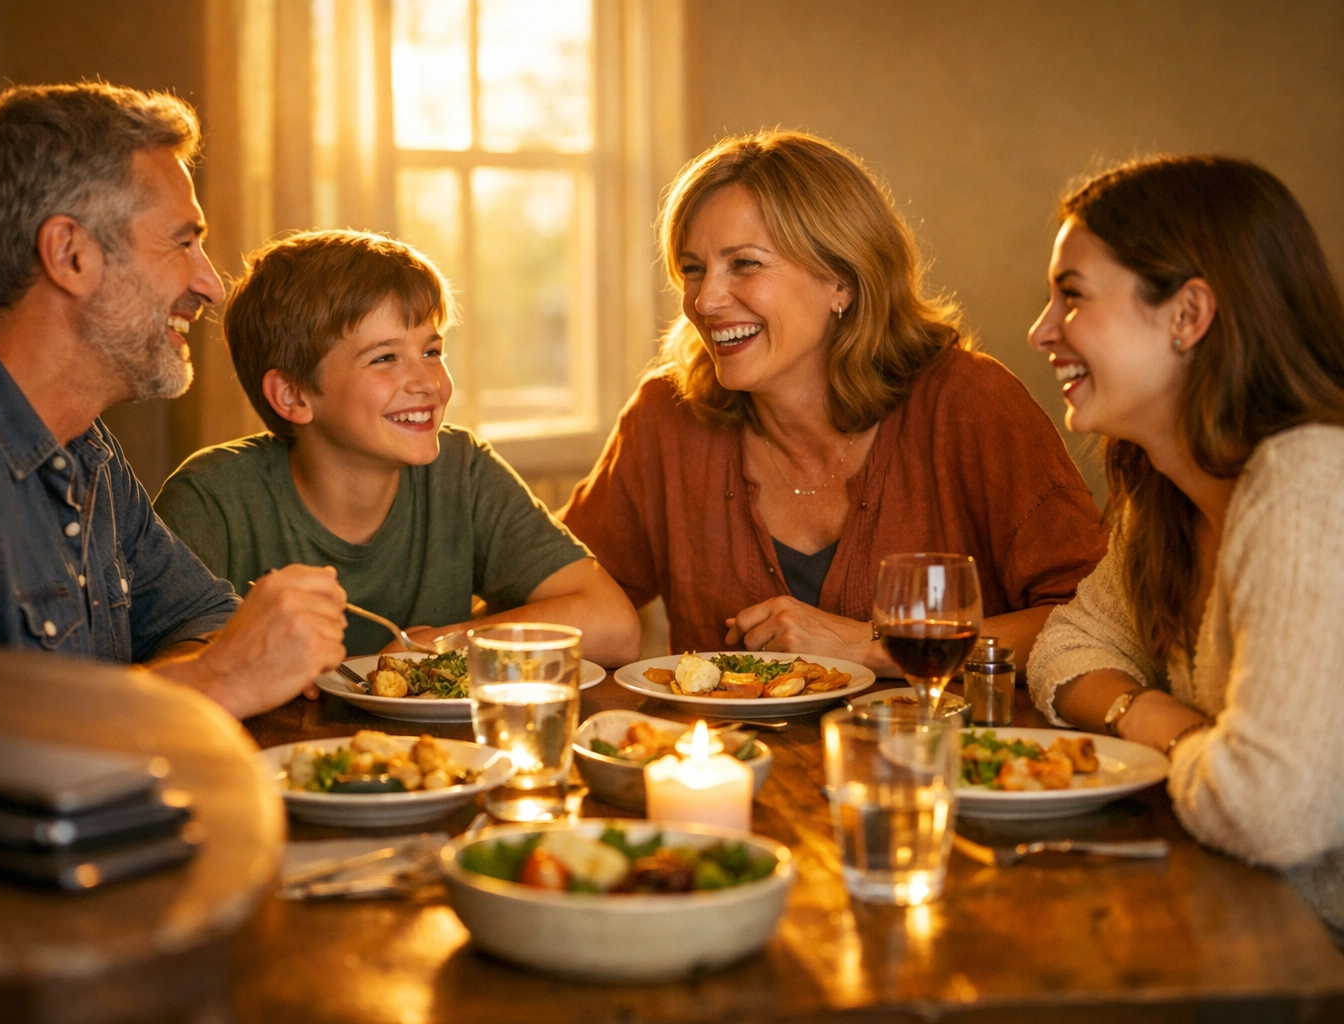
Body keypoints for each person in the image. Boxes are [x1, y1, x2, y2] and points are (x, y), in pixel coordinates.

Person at [0, 82, 349, 720]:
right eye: (183, 241)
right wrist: (214, 681)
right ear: (70, 254)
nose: (210, 285)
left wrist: (177, 686)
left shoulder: (81, 444)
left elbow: (202, 618)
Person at [559, 130, 1104, 671]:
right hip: (734, 760)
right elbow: (567, 594)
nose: (705, 300)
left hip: (943, 757)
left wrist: (872, 645)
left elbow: (1089, 622)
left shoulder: (969, 404)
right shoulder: (666, 418)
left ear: (842, 280)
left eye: (744, 264)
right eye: (693, 269)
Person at [1026, 155, 1344, 936]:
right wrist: (1158, 718)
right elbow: (1063, 648)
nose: (1041, 331)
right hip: (1242, 929)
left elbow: (1273, 812)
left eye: (1071, 296)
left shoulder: (1308, 484)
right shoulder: (1168, 495)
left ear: (1187, 314)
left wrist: (1164, 735)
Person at [153, 230, 640, 664]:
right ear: (293, 396)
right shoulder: (211, 502)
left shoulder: (461, 471)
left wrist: (435, 647)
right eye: (385, 358)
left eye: (431, 351)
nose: (428, 382)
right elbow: (170, 688)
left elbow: (614, 627)